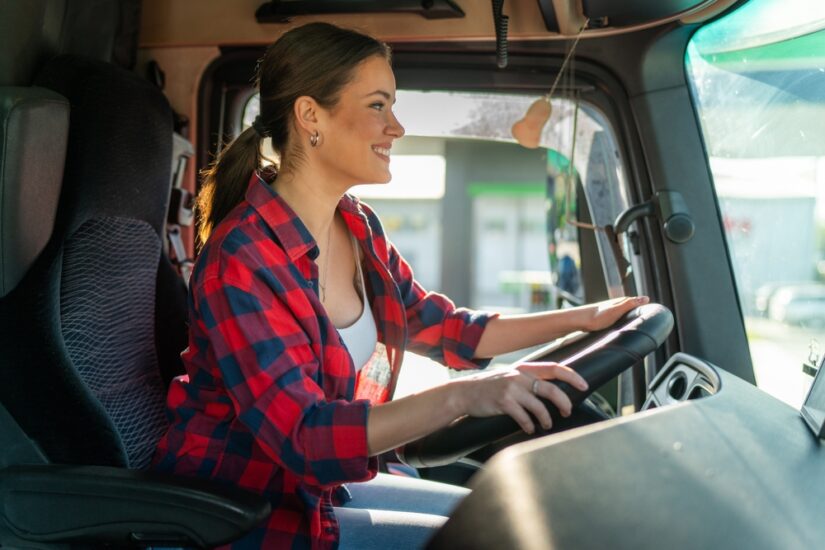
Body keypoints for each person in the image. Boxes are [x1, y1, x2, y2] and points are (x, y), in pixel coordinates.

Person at [152, 22, 648, 550]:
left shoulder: (357, 225)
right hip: (244, 515)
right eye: (378, 106)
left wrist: (584, 319)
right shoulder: (241, 260)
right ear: (310, 116)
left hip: (321, 493)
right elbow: (304, 435)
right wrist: (465, 395)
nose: (397, 128)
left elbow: (448, 329)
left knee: (513, 523)